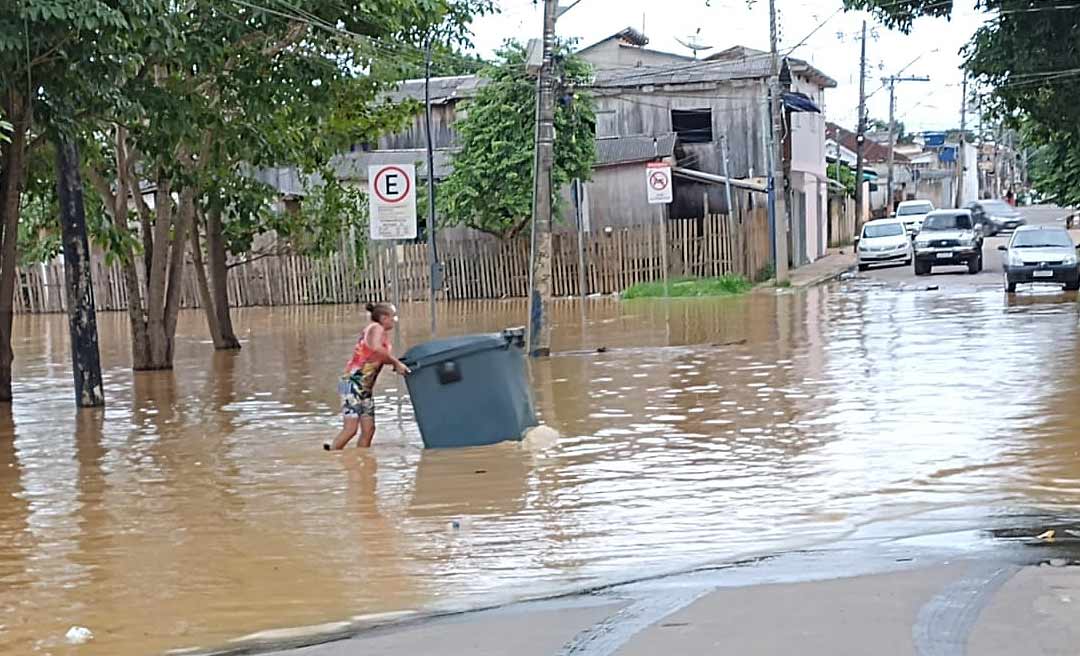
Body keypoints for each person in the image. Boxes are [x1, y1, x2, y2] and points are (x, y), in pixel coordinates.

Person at [325, 303, 410, 450]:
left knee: (369, 429)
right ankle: (332, 454)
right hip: (352, 384)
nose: (394, 320)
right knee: (351, 429)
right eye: (393, 317)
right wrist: (396, 363)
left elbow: (377, 356)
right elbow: (376, 349)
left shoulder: (380, 332)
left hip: (365, 389)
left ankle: (361, 460)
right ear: (384, 318)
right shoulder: (376, 328)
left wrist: (395, 363)